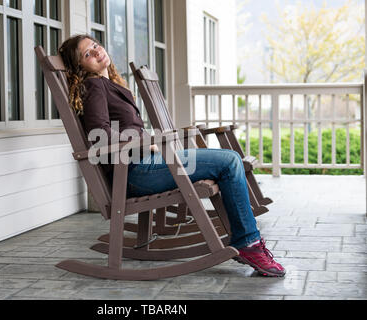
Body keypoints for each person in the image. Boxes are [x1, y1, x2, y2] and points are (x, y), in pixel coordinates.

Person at [59, 34, 286, 277]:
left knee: (226, 161)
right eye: (86, 54)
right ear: (79, 66)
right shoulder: (94, 86)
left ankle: (246, 240)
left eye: (94, 45)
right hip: (137, 170)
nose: (96, 51)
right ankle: (248, 244)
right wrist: (145, 143)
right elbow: (98, 136)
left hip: (145, 165)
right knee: (229, 162)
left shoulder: (109, 84)